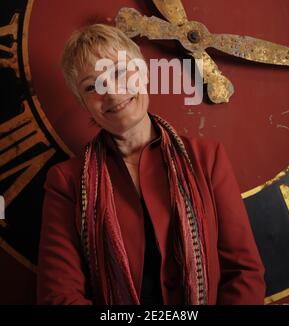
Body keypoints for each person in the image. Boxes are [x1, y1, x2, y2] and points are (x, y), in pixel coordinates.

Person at [37, 23, 266, 305]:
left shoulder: (207, 158)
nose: (111, 92)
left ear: (144, 74)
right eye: (91, 86)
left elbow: (243, 273)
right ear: (84, 103)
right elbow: (58, 295)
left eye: (120, 72)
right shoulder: (65, 181)